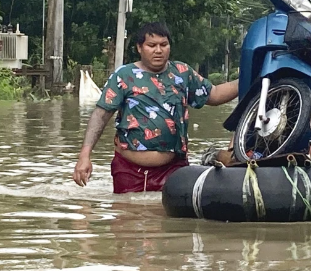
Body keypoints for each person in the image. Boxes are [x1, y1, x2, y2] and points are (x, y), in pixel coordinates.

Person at [72, 22, 239, 193]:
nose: (158, 50)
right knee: (126, 216)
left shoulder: (182, 72)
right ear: (139, 47)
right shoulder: (124, 76)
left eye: (163, 45)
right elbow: (101, 115)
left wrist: (250, 80)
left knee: (169, 218)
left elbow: (215, 94)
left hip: (174, 169)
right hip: (129, 170)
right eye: (151, 45)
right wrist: (85, 156)